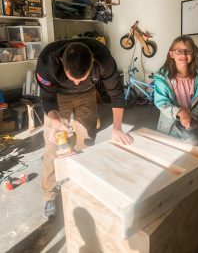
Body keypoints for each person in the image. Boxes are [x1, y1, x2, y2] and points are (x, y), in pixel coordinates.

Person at [36, 37, 133, 219]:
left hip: (88, 95)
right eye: (73, 78)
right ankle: (49, 195)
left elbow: (116, 94)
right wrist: (56, 123)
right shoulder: (47, 60)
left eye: (82, 77)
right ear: (61, 62)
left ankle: (82, 184)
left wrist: (118, 127)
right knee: (53, 147)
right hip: (58, 97)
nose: (77, 83)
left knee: (87, 140)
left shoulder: (103, 58)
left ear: (93, 63)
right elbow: (47, 99)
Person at [154, 35, 198, 144]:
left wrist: (190, 116)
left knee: (191, 152)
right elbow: (161, 102)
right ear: (171, 54)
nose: (184, 54)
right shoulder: (161, 78)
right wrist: (181, 113)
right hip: (168, 127)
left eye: (188, 51)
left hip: (190, 127)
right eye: (179, 51)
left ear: (193, 54)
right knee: (167, 150)